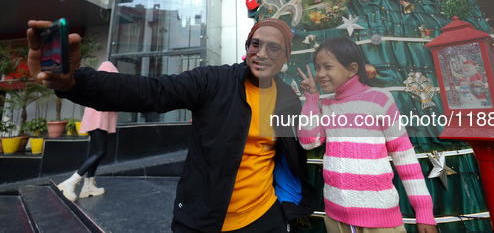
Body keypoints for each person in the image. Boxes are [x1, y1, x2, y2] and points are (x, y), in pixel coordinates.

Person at [26, 19, 316, 233]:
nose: (262, 53)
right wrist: (76, 82)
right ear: (247, 48)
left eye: (274, 48)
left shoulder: (288, 99)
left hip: (264, 220)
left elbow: (298, 148)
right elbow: (152, 90)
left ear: (286, 57)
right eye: (256, 44)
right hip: (202, 220)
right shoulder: (213, 81)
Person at [297, 37, 437, 233]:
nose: (320, 74)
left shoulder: (379, 100)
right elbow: (308, 142)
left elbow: (404, 156)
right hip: (336, 218)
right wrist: (311, 99)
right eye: (317, 67)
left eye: (327, 67)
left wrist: (424, 213)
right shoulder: (326, 105)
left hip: (380, 220)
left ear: (352, 69)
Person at [57, 60, 119, 202]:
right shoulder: (102, 88)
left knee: (97, 152)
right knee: (100, 152)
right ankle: (71, 182)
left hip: (96, 123)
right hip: (97, 123)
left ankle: (88, 185)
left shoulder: (98, 87)